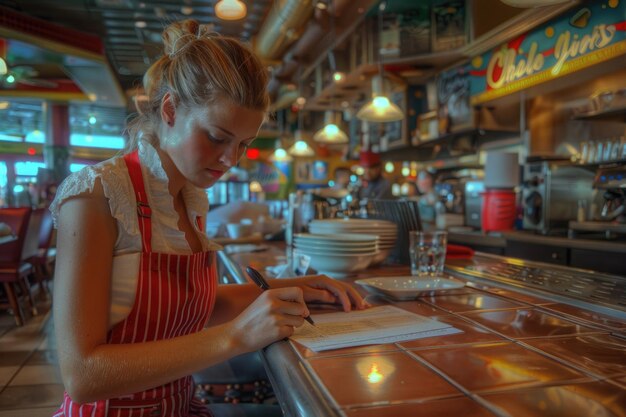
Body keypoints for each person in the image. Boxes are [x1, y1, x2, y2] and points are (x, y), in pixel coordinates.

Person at [49, 20, 365, 417]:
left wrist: (305, 285)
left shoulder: (186, 195)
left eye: (243, 145)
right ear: (169, 110)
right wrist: (236, 338)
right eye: (217, 137)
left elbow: (190, 305)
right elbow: (82, 377)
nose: (230, 160)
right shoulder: (95, 194)